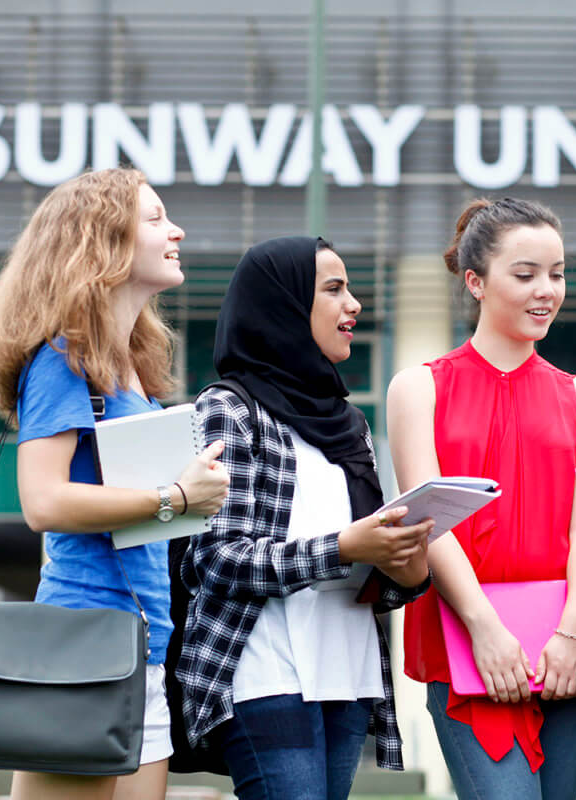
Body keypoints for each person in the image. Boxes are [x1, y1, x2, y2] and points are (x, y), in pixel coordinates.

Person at [0, 168, 230, 800]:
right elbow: (44, 501)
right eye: (155, 219)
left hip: (141, 644)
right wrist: (175, 499)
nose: (177, 231)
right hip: (85, 643)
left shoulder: (129, 368)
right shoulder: (65, 358)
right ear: (104, 242)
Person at [174, 236, 433, 800]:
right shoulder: (229, 408)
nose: (355, 304)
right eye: (335, 289)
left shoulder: (349, 423)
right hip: (263, 669)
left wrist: (408, 568)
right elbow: (218, 559)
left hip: (346, 668)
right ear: (284, 306)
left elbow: (366, 570)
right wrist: (345, 546)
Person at [388, 198, 576, 800]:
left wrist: (575, 631)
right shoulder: (419, 388)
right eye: (525, 274)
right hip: (468, 641)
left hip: (567, 646)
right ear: (475, 281)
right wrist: (483, 627)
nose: (546, 290)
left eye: (557, 273)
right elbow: (428, 519)